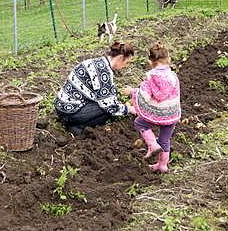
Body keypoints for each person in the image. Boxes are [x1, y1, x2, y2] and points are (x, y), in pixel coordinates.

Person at [55, 42, 136, 138]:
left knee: (110, 104)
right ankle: (77, 127)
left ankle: (72, 122)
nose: (125, 66)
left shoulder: (98, 62)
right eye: (126, 62)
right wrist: (129, 109)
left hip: (62, 107)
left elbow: (106, 92)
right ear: (120, 58)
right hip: (70, 113)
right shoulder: (103, 72)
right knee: (108, 111)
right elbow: (110, 106)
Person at [123, 42, 181, 173]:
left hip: (157, 113)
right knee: (165, 140)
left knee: (139, 122)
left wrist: (132, 91)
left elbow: (144, 95)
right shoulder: (173, 76)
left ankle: (152, 145)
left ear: (150, 61)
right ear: (168, 59)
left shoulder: (151, 77)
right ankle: (162, 166)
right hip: (171, 114)